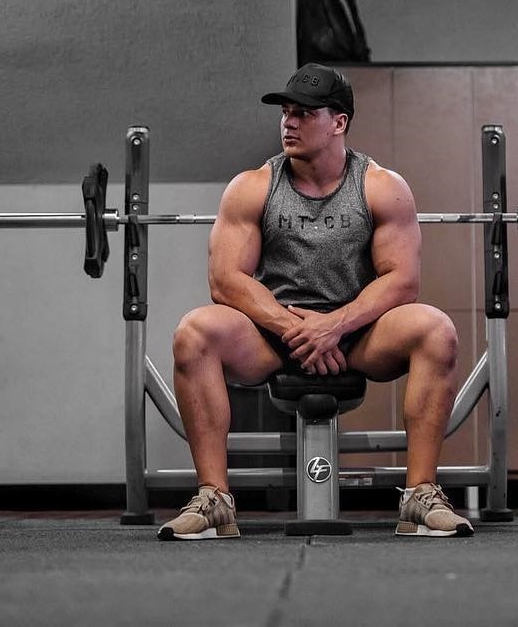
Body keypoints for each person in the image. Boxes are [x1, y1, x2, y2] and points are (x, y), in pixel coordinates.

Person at [158, 63, 473, 541]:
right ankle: (214, 499)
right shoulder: (253, 187)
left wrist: (335, 326)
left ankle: (420, 496)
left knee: (435, 328)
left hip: (359, 337)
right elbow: (226, 280)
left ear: (339, 122)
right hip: (270, 335)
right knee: (194, 332)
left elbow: (401, 281)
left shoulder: (381, 187)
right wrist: (295, 328)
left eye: (304, 113)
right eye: (286, 113)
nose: (289, 122)